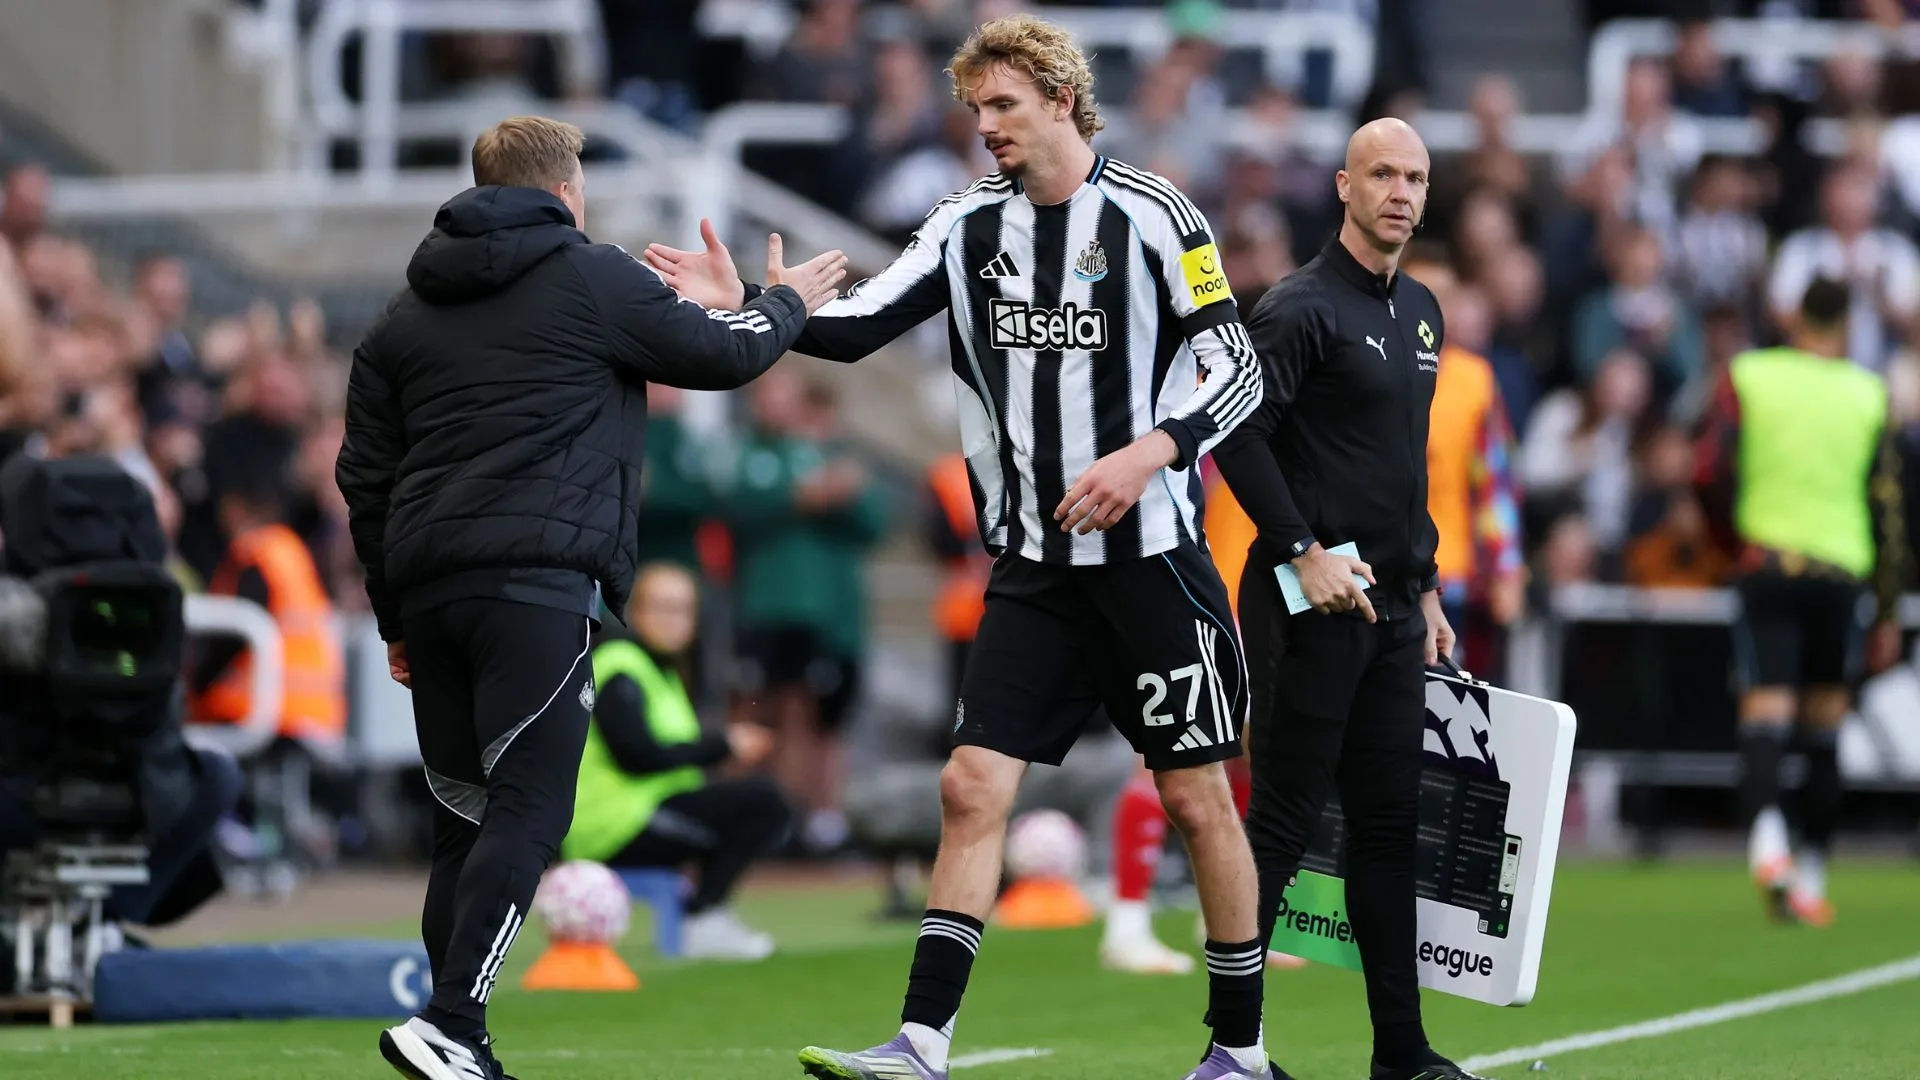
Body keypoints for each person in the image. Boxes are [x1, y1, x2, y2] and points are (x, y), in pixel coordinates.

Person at [646, 15, 1273, 1080]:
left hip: (1153, 559)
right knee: (970, 786)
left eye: (1003, 107)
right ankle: (922, 1041)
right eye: (974, 109)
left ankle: (1241, 1051)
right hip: (1033, 572)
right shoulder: (965, 226)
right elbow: (856, 323)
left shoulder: (1159, 217)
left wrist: (1147, 456)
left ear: (1062, 101)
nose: (984, 128)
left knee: (1195, 797)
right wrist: (751, 306)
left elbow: (1238, 367)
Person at [334, 115, 846, 1080]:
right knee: (530, 809)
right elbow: (725, 356)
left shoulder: (402, 314)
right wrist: (777, 303)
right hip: (536, 587)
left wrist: (395, 618)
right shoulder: (590, 273)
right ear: (567, 191)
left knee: (468, 820)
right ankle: (450, 1023)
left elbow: (363, 479)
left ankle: (455, 1038)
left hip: (433, 598)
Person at [1213, 118, 1487, 1080]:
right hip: (1306, 598)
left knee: (1386, 832)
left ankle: (1402, 1056)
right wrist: (1301, 550)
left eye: (1415, 176)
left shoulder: (1421, 309)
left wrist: (1428, 586)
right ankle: (1230, 1054)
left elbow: (1398, 471)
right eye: (1382, 174)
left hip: (1395, 608)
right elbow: (1231, 437)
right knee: (1281, 825)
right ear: (1342, 185)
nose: (1401, 191)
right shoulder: (1296, 307)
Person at [1692, 275, 1908, 927]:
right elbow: (1888, 509)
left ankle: (1767, 846)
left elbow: (1708, 470)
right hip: (1841, 571)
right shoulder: (1869, 394)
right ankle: (1811, 871)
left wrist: (1732, 542)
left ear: (1793, 318)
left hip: (1768, 562)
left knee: (1764, 715)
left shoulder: (1751, 376)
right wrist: (1890, 607)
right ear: (1846, 326)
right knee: (1823, 727)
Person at [561, 562, 790, 960]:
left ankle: (704, 912)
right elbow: (637, 755)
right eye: (662, 607)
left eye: (683, 609)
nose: (674, 620)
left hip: (645, 813)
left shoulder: (659, 671)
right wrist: (723, 745)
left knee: (757, 807)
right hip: (613, 824)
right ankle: (702, 917)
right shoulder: (620, 663)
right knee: (762, 805)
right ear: (637, 612)